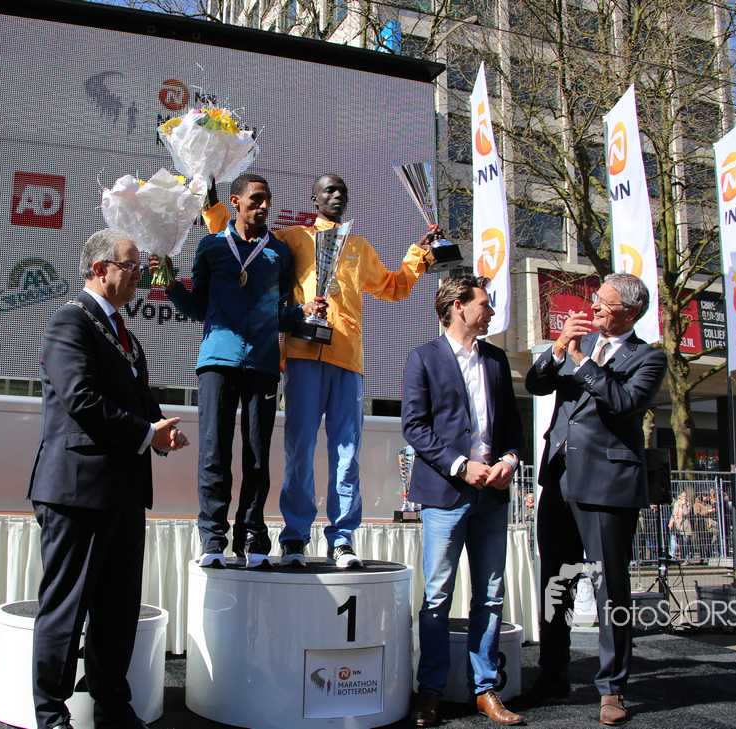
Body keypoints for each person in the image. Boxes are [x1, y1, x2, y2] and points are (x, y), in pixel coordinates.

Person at [28, 228, 190, 729]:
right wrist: (145, 432)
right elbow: (81, 399)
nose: (140, 275)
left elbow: (137, 403)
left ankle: (113, 708)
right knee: (67, 608)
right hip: (77, 491)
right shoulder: (69, 321)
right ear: (100, 269)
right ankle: (51, 715)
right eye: (131, 266)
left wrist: (159, 430)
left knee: (117, 611)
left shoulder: (126, 335)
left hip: (123, 493)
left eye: (140, 267)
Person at [155, 173, 321, 569]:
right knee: (214, 452)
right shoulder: (212, 246)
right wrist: (172, 286)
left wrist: (301, 312)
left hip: (263, 363)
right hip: (218, 361)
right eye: (256, 199)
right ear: (235, 201)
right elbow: (199, 308)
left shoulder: (279, 253)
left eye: (268, 200)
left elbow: (279, 315)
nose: (264, 206)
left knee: (257, 456)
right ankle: (213, 538)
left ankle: (253, 535)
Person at [523, 272, 667, 726]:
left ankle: (613, 688)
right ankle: (553, 675)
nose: (594, 307)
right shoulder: (577, 343)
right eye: (595, 299)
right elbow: (536, 385)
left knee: (610, 590)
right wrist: (558, 348)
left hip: (607, 487)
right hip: (559, 479)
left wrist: (583, 362)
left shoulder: (649, 358)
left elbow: (624, 402)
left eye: (604, 302)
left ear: (631, 311)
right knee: (556, 583)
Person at [274, 173, 436, 568]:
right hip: (303, 354)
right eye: (329, 190)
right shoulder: (293, 238)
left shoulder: (359, 246)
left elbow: (393, 286)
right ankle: (294, 538)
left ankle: (342, 538)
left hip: (348, 359)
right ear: (314, 199)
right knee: (300, 449)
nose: (337, 196)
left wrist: (420, 253)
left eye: (342, 191)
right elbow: (251, 251)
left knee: (347, 452)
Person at [403, 274, 524, 727]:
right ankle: (431, 691)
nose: (490, 311)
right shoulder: (423, 358)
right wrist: (460, 465)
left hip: (493, 494)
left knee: (490, 596)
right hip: (445, 495)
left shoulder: (496, 359)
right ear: (458, 306)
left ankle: (485, 689)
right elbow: (414, 427)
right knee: (437, 597)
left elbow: (512, 423)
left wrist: (509, 460)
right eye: (484, 304)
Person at [668, 492, 694, 562]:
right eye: (683, 496)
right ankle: (682, 558)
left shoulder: (688, 504)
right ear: (680, 496)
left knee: (686, 542)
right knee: (681, 543)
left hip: (686, 525)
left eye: (685, 496)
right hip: (678, 525)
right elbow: (674, 513)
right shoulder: (677, 503)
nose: (684, 498)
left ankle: (687, 558)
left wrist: (684, 505)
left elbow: (686, 513)